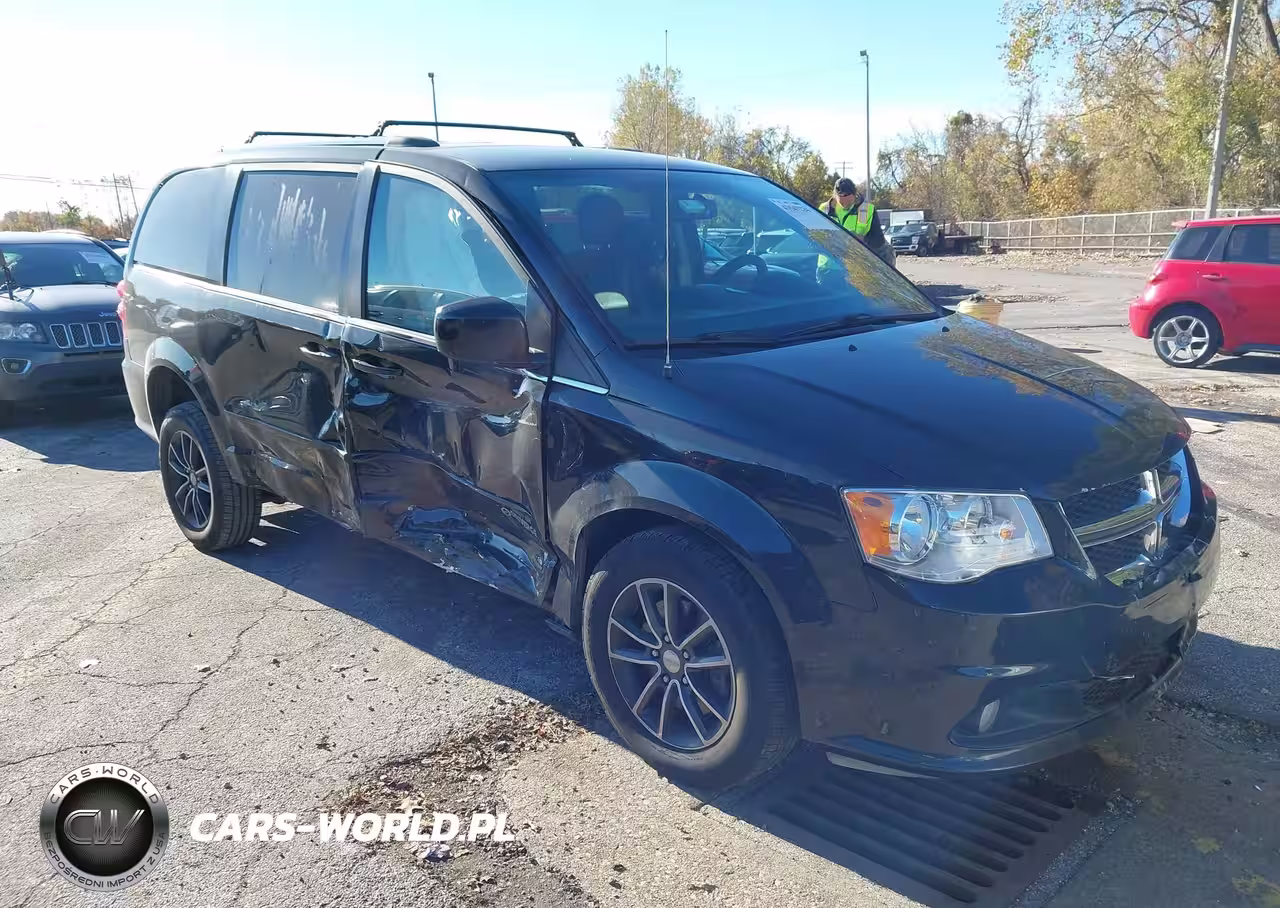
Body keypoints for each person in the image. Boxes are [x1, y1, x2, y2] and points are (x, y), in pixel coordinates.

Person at [823, 178, 895, 268]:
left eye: (848, 199)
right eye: (841, 199)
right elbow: (814, 236)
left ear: (855, 194)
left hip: (856, 269)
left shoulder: (868, 210)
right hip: (828, 267)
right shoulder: (824, 209)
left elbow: (878, 242)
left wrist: (854, 240)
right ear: (835, 195)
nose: (844, 203)